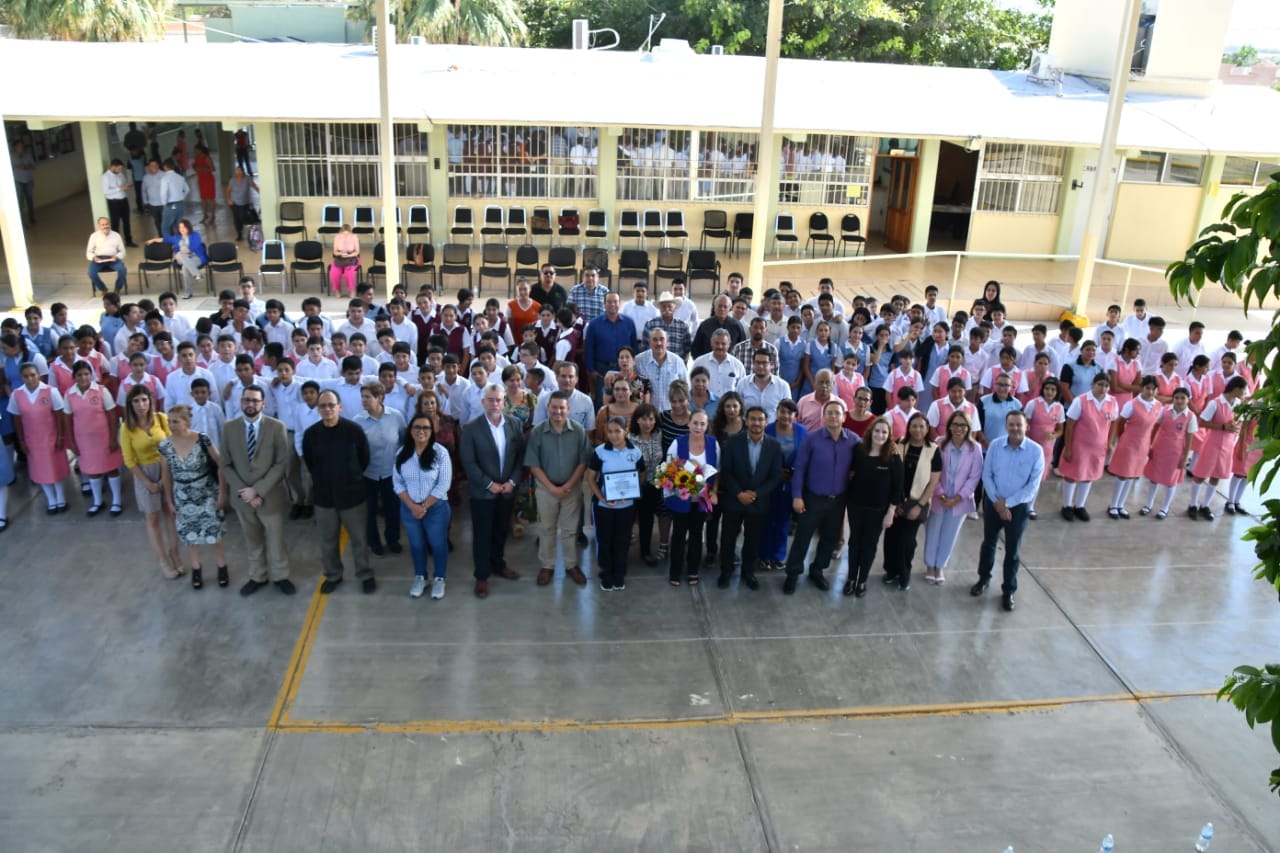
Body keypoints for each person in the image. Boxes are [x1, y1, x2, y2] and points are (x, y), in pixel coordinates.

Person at [223, 386, 294, 595]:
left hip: (269, 496)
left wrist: (258, 490)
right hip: (242, 499)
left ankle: (281, 576)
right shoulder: (229, 428)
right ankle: (258, 576)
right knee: (252, 540)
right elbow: (226, 464)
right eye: (246, 400)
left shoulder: (276, 427)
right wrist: (245, 492)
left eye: (255, 400)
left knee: (276, 540)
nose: (250, 404)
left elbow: (281, 464)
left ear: (263, 403)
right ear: (241, 402)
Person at [784, 398, 859, 594]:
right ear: (823, 417)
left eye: (837, 413)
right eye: (829, 413)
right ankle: (792, 573)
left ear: (844, 417)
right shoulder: (812, 438)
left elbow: (869, 457)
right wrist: (797, 496)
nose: (833, 416)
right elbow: (799, 468)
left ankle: (817, 570)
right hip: (813, 498)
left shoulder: (853, 440)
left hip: (838, 500)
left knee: (829, 538)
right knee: (803, 537)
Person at [971, 410, 1044, 612]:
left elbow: (1032, 486)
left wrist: (1008, 504)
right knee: (989, 544)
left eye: (1019, 425)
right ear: (1006, 426)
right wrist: (997, 503)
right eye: (1011, 424)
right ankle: (983, 579)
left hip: (1018, 508)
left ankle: (1008, 590)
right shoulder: (995, 445)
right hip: (994, 503)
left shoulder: (1036, 451)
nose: (1015, 428)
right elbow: (987, 475)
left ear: (1026, 426)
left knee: (1013, 551)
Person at [303, 389, 374, 593]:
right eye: (323, 406)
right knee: (328, 540)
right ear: (318, 409)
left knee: (359, 539)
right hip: (324, 498)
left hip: (353, 496)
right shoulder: (311, 435)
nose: (327, 409)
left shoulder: (354, 431)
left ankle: (365, 573)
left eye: (331, 405)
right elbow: (310, 463)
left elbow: (364, 459)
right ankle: (333, 575)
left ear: (339, 407)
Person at [461, 383, 526, 598]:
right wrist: (490, 484)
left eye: (498, 400)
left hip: (507, 490)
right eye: (490, 400)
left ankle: (498, 564)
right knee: (482, 535)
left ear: (503, 401)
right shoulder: (471, 428)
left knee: (501, 531)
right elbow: (469, 462)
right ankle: (481, 575)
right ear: (483, 402)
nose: (495, 404)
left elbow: (519, 458)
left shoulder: (515, 425)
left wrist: (512, 482)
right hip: (483, 493)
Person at [158, 405, 228, 590]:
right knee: (191, 534)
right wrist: (169, 501)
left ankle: (222, 565)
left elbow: (220, 463)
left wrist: (222, 491)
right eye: (169, 421)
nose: (171, 425)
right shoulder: (165, 446)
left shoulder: (202, 439)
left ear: (186, 421)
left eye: (176, 421)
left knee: (214, 531)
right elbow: (166, 476)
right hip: (182, 494)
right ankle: (196, 567)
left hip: (206, 491)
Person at [524, 391, 590, 587]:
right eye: (554, 407)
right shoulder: (538, 432)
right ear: (547, 409)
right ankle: (547, 565)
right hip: (546, 488)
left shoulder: (578, 431)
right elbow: (533, 464)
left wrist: (568, 486)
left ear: (568, 409)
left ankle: (571, 565)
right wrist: (552, 488)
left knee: (570, 530)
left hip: (572, 487)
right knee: (546, 528)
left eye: (562, 407)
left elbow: (583, 461)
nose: (558, 411)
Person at [119, 385, 185, 577]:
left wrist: (169, 475)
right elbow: (129, 460)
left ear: (150, 400)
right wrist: (147, 483)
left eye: (144, 400)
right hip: (144, 472)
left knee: (170, 513)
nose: (141, 405)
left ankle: (176, 555)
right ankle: (163, 559)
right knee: (152, 517)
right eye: (136, 401)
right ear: (130, 404)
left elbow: (174, 443)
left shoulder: (161, 419)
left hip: (166, 469)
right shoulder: (126, 428)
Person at [716, 406, 783, 590]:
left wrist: (756, 494)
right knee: (728, 538)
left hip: (758, 501)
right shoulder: (732, 442)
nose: (756, 423)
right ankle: (726, 571)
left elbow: (776, 475)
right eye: (752, 419)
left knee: (752, 540)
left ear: (766, 422)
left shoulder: (774, 446)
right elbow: (726, 472)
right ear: (745, 420)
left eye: (760, 419)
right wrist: (739, 493)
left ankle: (748, 572)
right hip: (733, 499)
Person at [841, 417, 904, 597]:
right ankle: (851, 578)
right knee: (854, 543)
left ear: (889, 435)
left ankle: (862, 581)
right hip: (856, 506)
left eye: (884, 432)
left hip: (878, 510)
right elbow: (849, 473)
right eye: (877, 431)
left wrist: (891, 511)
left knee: (869, 545)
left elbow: (898, 487)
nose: (880, 435)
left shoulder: (893, 456)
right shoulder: (859, 451)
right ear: (870, 432)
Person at [394, 413, 453, 600]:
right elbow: (398, 483)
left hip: (436, 509)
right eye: (417, 427)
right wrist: (413, 506)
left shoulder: (440, 453)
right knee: (416, 544)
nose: (421, 431)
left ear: (432, 431)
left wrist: (424, 506)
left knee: (437, 545)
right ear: (410, 431)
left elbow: (444, 484)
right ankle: (420, 577)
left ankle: (439, 578)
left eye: (426, 428)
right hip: (409, 508)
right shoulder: (402, 453)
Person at [922, 411, 983, 584]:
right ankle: (929, 565)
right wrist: (940, 493)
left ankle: (940, 565)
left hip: (960, 500)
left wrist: (958, 498)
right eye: (955, 424)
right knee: (933, 531)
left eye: (963, 425)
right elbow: (932, 470)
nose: (959, 428)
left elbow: (974, 477)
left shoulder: (975, 448)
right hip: (937, 496)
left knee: (950, 534)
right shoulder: (940, 443)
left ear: (968, 427)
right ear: (949, 426)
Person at [883, 412, 940, 590]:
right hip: (895, 501)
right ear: (909, 428)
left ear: (927, 428)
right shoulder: (899, 444)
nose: (917, 430)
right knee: (890, 538)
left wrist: (920, 505)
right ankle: (891, 571)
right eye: (914, 426)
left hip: (916, 503)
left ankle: (904, 574)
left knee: (906, 542)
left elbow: (933, 481)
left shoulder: (933, 449)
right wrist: (893, 503)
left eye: (922, 426)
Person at [588, 416, 646, 591]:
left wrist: (631, 492)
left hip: (626, 507)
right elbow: (591, 478)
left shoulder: (635, 452)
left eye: (617, 431)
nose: (613, 435)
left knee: (622, 541)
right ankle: (606, 573)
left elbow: (642, 474)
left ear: (626, 430)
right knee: (604, 540)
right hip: (604, 507)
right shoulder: (600, 452)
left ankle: (619, 573)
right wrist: (601, 497)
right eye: (610, 431)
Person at [62, 361, 124, 516]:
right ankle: (98, 501)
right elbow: (68, 419)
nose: (83, 377)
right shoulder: (70, 394)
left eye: (86, 374)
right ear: (74, 376)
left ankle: (116, 500)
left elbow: (112, 415)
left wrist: (113, 438)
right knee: (92, 470)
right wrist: (72, 442)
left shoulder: (101, 391)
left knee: (111, 468)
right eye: (79, 375)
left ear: (91, 375)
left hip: (103, 437)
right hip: (84, 440)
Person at [9, 362, 71, 514]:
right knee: (40, 470)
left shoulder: (50, 391)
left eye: (33, 375)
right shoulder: (17, 394)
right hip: (32, 439)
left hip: (51, 436)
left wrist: (61, 436)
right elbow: (16, 418)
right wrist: (21, 440)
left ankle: (61, 498)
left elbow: (59, 414)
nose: (30, 379)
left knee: (55, 468)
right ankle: (51, 499)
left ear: (38, 375)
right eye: (26, 376)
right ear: (21, 377)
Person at [664, 409, 718, 587]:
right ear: (688, 423)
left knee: (696, 535)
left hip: (702, 500)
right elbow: (669, 470)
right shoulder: (677, 443)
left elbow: (718, 471)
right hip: (682, 498)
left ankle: (693, 570)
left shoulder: (713, 444)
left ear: (707, 426)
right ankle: (675, 571)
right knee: (679, 534)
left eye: (702, 423)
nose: (698, 427)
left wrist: (714, 491)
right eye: (695, 422)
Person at [1058, 374, 1119, 522]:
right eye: (1100, 384)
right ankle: (1067, 505)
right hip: (1079, 445)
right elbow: (1070, 424)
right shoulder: (1081, 400)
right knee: (1072, 475)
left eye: (1106, 385)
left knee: (1089, 476)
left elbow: (1114, 422)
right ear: (1093, 384)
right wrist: (1068, 447)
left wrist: (1110, 442)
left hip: (1098, 447)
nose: (1102, 388)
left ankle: (1080, 505)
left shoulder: (1112, 402)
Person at [1187, 376, 1250, 520]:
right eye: (1244, 390)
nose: (1245, 393)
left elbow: (1241, 422)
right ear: (1236, 389)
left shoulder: (1240, 405)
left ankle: (1205, 505)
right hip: (1212, 443)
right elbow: (1202, 422)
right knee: (1201, 474)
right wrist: (1222, 427)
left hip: (1227, 445)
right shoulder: (1215, 403)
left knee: (1217, 476)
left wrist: (1235, 428)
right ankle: (1193, 504)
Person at [355, 382, 406, 557]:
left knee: (392, 509)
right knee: (369, 511)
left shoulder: (396, 417)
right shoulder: (358, 421)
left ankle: (393, 540)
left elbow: (404, 441)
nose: (364, 400)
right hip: (368, 473)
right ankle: (374, 542)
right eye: (362, 396)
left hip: (391, 473)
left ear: (380, 398)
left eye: (368, 397)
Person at [1106, 375, 1162, 519]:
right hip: (1129, 442)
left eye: (1153, 389)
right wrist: (1123, 437)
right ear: (1142, 388)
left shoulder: (1157, 405)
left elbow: (1156, 425)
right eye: (1147, 388)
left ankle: (1121, 505)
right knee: (1122, 474)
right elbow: (1120, 422)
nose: (1150, 391)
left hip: (1143, 444)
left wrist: (1150, 443)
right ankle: (1113, 504)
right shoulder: (1132, 404)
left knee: (1132, 474)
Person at [1021, 377, 1064, 520]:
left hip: (1047, 449)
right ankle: (1021, 503)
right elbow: (1025, 424)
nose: (1049, 392)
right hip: (1031, 445)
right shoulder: (1033, 404)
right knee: (1026, 475)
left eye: (1053, 390)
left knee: (1038, 478)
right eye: (1047, 389)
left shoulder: (1059, 407)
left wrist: (1053, 435)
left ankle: (1030, 506)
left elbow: (1060, 429)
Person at [629, 403, 665, 566]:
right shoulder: (629, 439)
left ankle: (645, 551)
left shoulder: (658, 435)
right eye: (644, 419)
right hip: (634, 486)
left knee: (647, 519)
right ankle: (621, 551)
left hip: (653, 485)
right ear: (637, 420)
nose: (647, 423)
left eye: (651, 419)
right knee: (628, 519)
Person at [147, 218, 207, 299]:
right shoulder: (177, 237)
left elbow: (195, 246)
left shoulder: (195, 235)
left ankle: (188, 293)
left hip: (195, 257)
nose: (181, 229)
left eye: (183, 227)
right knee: (180, 254)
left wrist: (187, 250)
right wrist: (153, 240)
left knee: (185, 267)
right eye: (180, 227)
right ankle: (197, 274)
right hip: (181, 258)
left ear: (188, 227)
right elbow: (164, 239)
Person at [85, 216, 128, 293]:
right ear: (99, 226)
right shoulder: (94, 236)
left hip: (113, 259)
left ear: (109, 224)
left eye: (107, 224)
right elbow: (89, 252)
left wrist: (117, 257)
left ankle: (117, 289)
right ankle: (103, 289)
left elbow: (123, 252)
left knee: (122, 270)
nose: (105, 226)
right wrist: (94, 258)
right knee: (91, 273)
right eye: (103, 225)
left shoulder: (116, 235)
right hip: (99, 259)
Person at [101, 158, 136, 247]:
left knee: (126, 221)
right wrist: (119, 188)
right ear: (113, 167)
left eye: (121, 169)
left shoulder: (120, 174)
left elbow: (124, 183)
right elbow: (106, 191)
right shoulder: (105, 177)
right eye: (119, 169)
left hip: (124, 200)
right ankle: (116, 244)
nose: (120, 170)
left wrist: (127, 185)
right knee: (115, 223)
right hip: (114, 202)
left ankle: (129, 241)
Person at [225, 166, 259, 242]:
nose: (238, 172)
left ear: (243, 171)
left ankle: (250, 223)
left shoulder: (247, 179)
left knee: (242, 217)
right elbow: (227, 191)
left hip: (245, 202)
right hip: (234, 202)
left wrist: (259, 191)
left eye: (240, 171)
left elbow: (253, 186)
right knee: (236, 219)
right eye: (237, 171)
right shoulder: (232, 180)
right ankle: (239, 234)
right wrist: (228, 200)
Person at [330, 224, 361, 296]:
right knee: (334, 272)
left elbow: (357, 252)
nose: (345, 236)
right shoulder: (337, 237)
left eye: (347, 234)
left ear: (350, 232)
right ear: (341, 232)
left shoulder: (354, 237)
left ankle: (351, 290)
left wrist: (349, 255)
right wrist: (340, 254)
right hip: (340, 258)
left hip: (352, 258)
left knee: (349, 273)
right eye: (343, 234)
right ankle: (337, 290)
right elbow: (335, 252)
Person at [12, 140, 36, 226]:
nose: (21, 148)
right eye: (19, 146)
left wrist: (27, 166)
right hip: (18, 182)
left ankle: (32, 218)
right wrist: (18, 166)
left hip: (28, 181)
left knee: (30, 200)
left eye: (22, 146)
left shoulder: (28, 155)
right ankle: (22, 222)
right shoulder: (11, 156)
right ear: (15, 147)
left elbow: (34, 166)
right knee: (20, 203)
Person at [192, 144, 217, 224]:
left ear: (200, 150)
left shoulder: (206, 157)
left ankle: (213, 216)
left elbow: (212, 169)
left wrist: (202, 168)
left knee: (210, 198)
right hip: (201, 180)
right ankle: (205, 214)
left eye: (196, 150)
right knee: (203, 199)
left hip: (208, 180)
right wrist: (195, 168)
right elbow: (196, 168)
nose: (195, 152)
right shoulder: (197, 158)